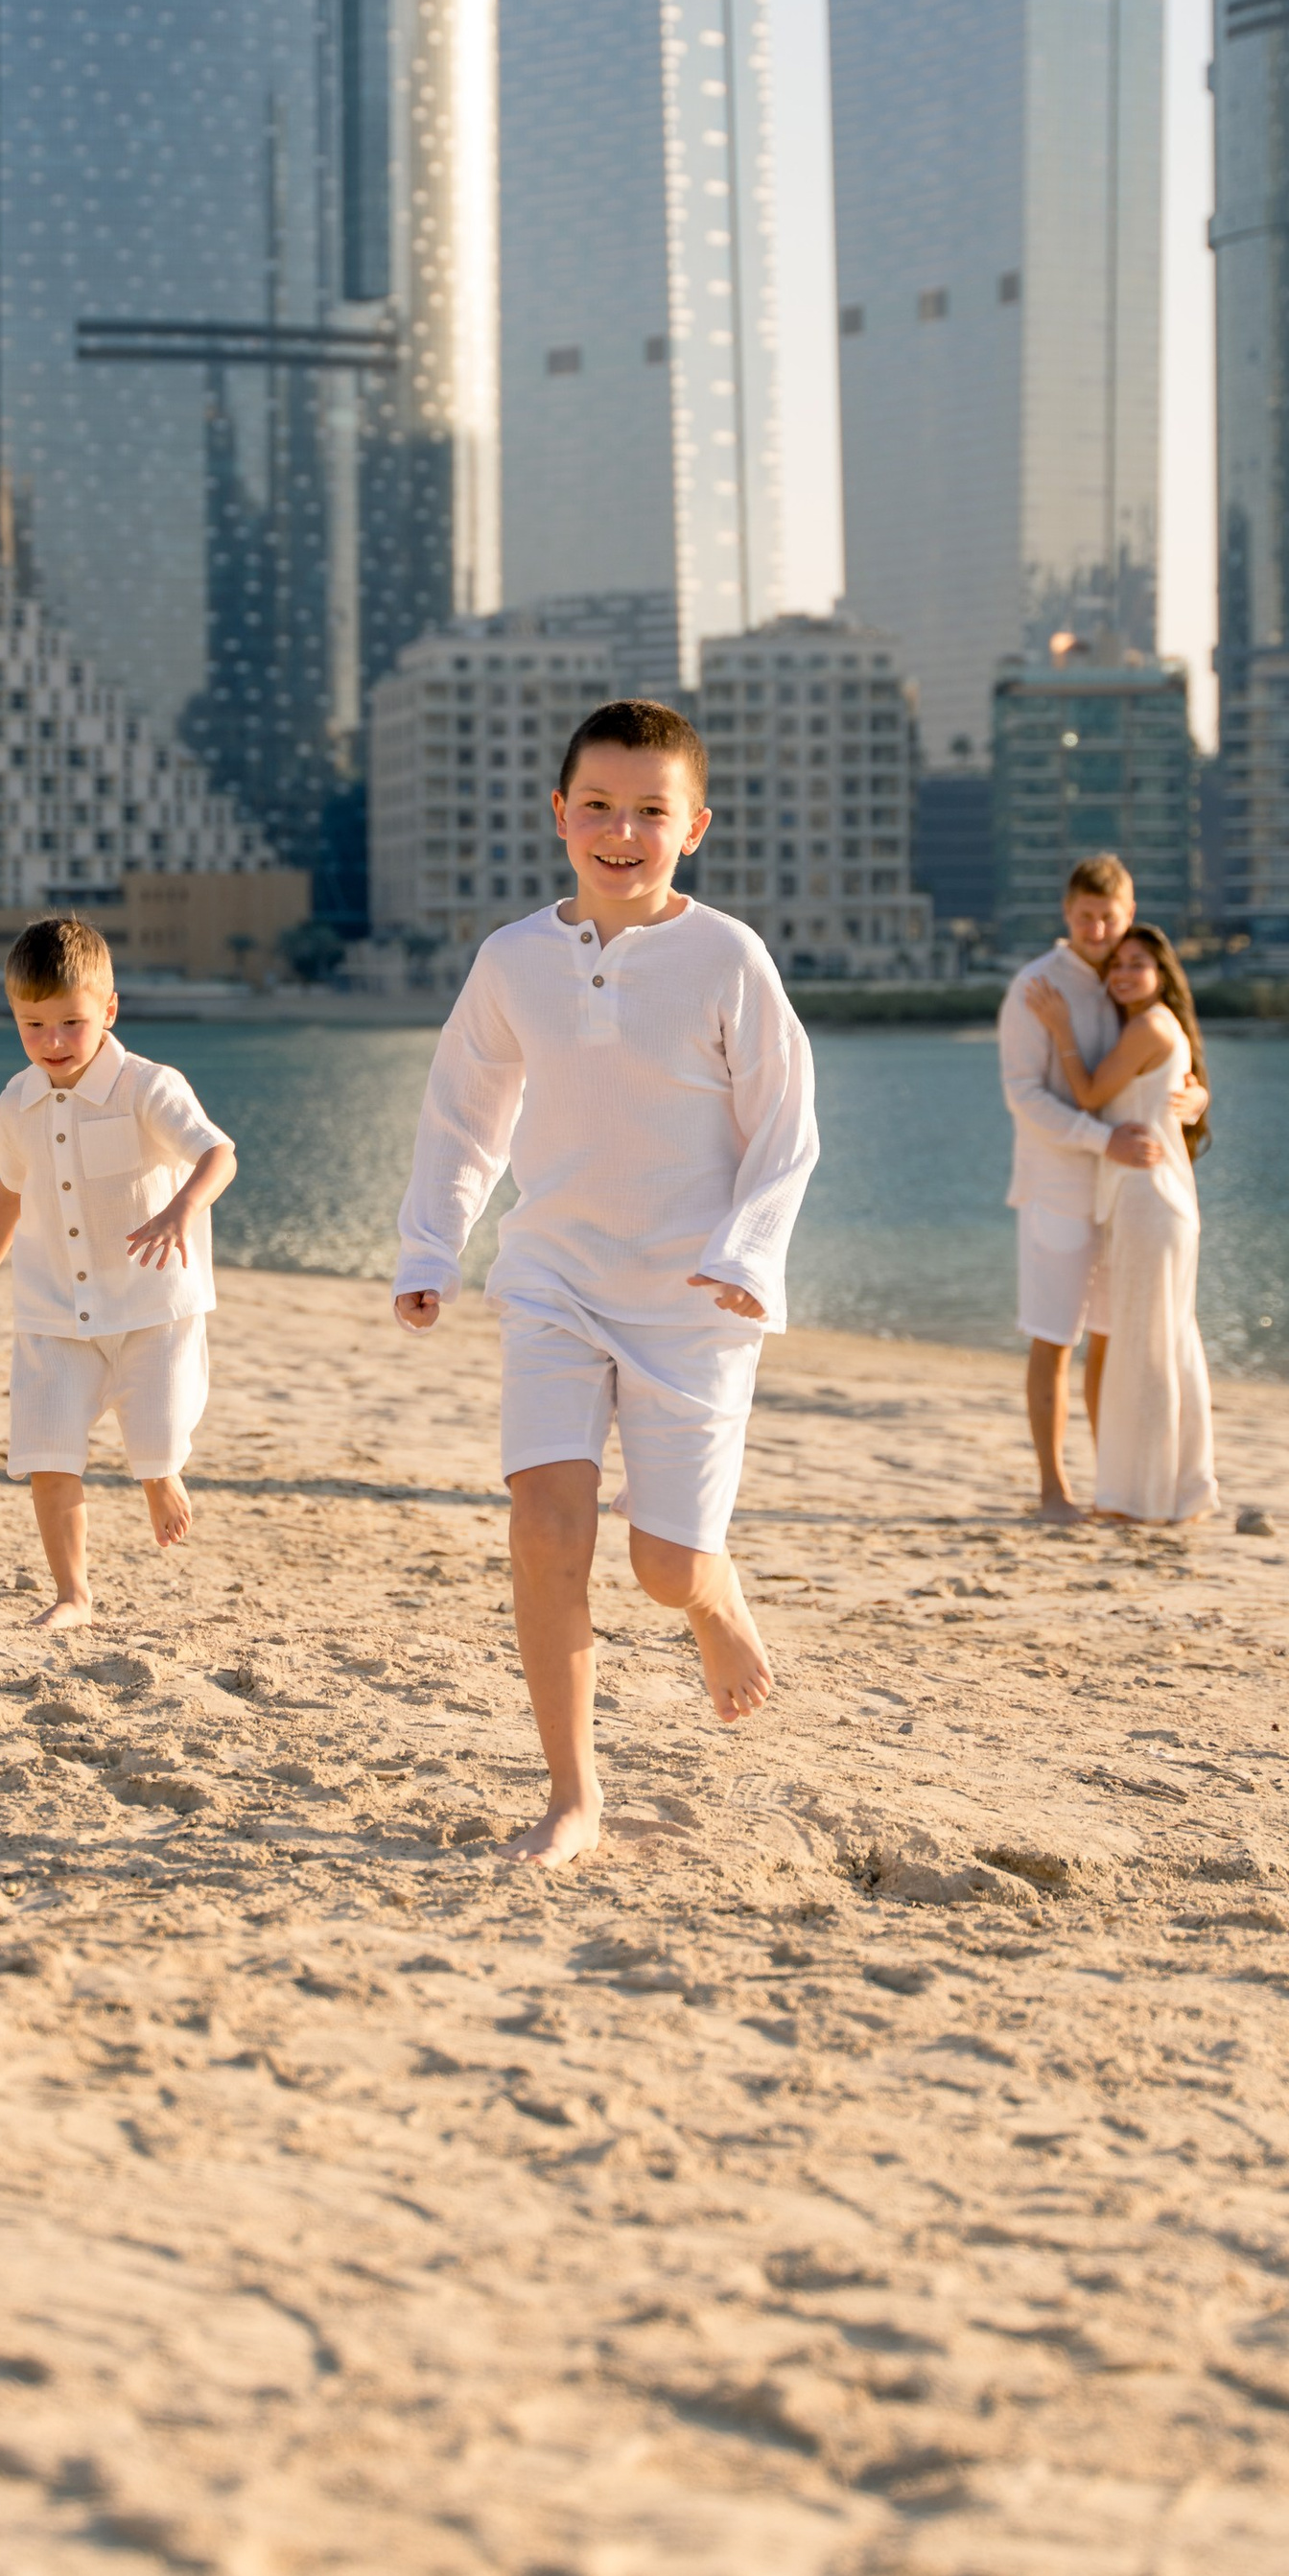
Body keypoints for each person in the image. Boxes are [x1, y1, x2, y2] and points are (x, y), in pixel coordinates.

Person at [391, 697, 819, 1870]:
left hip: (695, 1299)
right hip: (552, 1281)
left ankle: (711, 1592)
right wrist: (433, 1247)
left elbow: (786, 1128)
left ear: (694, 826)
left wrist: (747, 1255)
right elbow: (464, 1111)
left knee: (662, 1566)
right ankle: (572, 1797)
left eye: (649, 811)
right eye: (598, 807)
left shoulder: (728, 956)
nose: (620, 831)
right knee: (545, 1529)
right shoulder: (512, 958)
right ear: (559, 814)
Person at [0, 914, 238, 1632]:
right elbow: (8, 1192)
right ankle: (73, 1594)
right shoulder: (17, 1099)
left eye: (71, 1023)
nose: (53, 1043)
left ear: (108, 1009)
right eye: (32, 1025)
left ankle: (159, 1473)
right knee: (46, 1454)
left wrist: (182, 1212)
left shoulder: (148, 1086)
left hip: (150, 1305)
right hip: (53, 1312)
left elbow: (216, 1154)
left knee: (157, 1432)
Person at [996, 854, 1207, 1521]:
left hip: (1125, 1198)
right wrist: (1100, 1139)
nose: (1097, 929)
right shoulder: (1036, 986)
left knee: (1113, 1341)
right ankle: (1054, 1490)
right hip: (1059, 1185)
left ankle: (1112, 1483)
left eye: (1108, 917)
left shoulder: (1128, 984)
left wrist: (1195, 1101)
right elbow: (1023, 1094)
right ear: (1068, 914)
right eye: (1086, 916)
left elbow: (1165, 1067)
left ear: (1128, 914)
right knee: (1054, 1337)